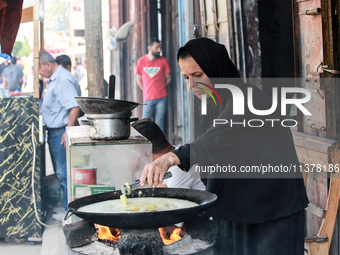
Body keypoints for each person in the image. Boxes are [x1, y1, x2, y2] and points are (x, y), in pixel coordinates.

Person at [140, 38, 308, 255]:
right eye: (186, 77)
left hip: (273, 212)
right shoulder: (212, 103)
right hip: (235, 208)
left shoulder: (249, 99)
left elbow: (215, 140)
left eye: (198, 75)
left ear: (216, 69)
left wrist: (170, 158)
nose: (191, 85)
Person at [39, 51, 81, 215]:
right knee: (61, 173)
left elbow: (74, 106)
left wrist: (67, 130)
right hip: (55, 131)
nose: (40, 72)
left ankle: (68, 210)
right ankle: (67, 208)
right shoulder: (54, 79)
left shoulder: (62, 79)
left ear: (48, 64)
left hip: (60, 132)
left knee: (64, 174)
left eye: (40, 68)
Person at [132, 119, 205, 190]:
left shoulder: (179, 168)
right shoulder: (177, 151)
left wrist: (129, 172)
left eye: (139, 153)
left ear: (144, 153)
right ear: (164, 135)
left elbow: (175, 199)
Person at [135, 38, 171, 132]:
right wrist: (146, 90)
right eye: (157, 47)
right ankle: (146, 144)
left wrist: (160, 87)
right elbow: (138, 79)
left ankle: (161, 145)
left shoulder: (163, 61)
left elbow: (169, 78)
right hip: (148, 98)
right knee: (145, 123)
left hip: (162, 97)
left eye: (160, 47)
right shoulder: (141, 61)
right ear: (149, 48)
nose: (159, 50)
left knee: (160, 122)